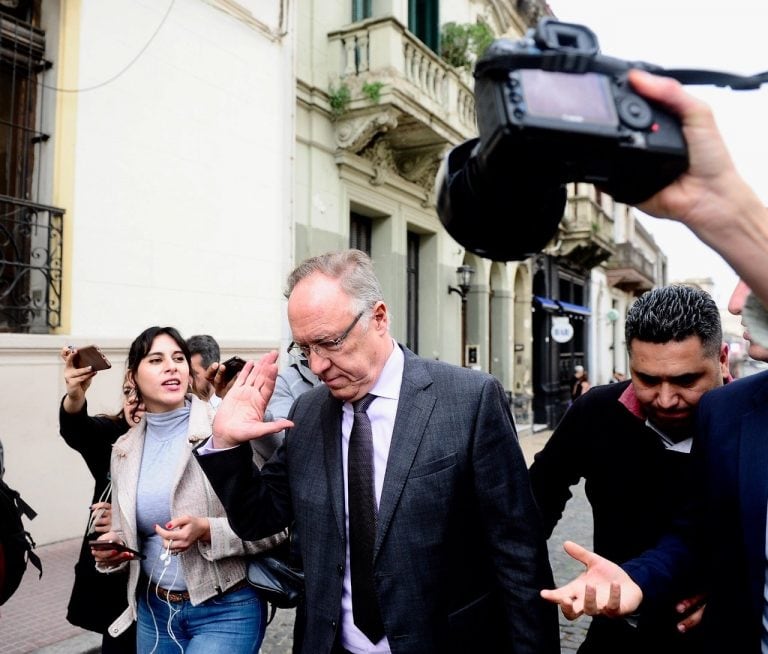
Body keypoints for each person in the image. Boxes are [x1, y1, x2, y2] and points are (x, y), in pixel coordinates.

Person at [195, 249, 560, 654]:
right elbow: (259, 519)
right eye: (304, 349)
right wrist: (227, 442)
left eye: (329, 342)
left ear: (379, 318)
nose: (317, 365)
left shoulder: (468, 400)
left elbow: (518, 555)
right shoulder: (309, 412)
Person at [539, 278, 768, 652]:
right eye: (646, 379)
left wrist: (734, 599)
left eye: (685, 380)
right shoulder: (594, 412)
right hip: (617, 636)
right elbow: (529, 511)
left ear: (722, 357)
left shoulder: (748, 419)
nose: (665, 399)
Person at [90, 326, 286, 653]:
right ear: (132, 376)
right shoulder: (123, 449)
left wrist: (208, 531)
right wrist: (114, 545)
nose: (172, 366)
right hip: (154, 611)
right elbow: (129, 532)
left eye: (179, 358)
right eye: (156, 360)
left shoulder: (223, 427)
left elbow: (277, 526)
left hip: (226, 609)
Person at [59, 345, 144, 653]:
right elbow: (76, 429)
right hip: (118, 592)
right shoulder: (113, 435)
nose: (135, 402)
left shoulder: (186, 440)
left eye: (143, 394)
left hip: (165, 586)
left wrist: (122, 519)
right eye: (128, 392)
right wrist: (75, 396)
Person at [187, 334, 222, 408]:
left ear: (212, 371)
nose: (187, 380)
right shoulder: (185, 407)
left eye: (193, 374)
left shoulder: (228, 407)